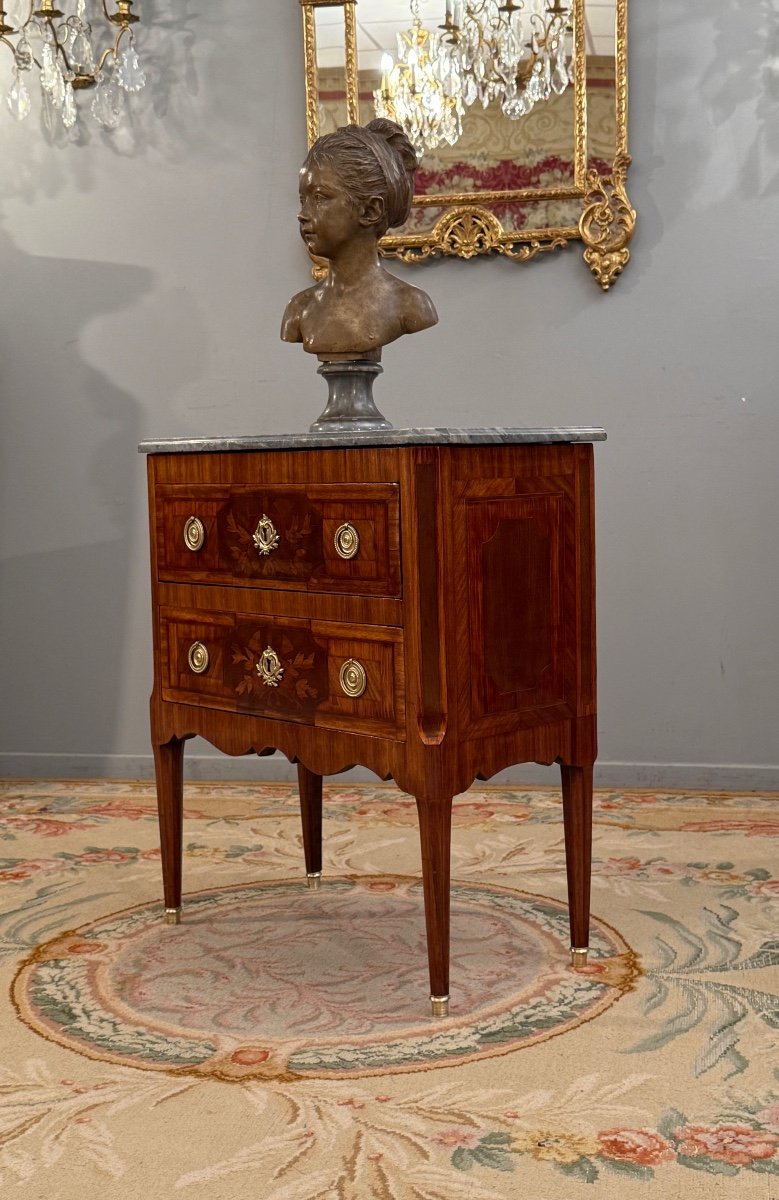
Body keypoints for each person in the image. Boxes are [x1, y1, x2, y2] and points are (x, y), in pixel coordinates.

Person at [281, 118, 438, 361]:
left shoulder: (411, 306)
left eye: (320, 197)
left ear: (370, 210)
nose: (303, 214)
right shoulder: (299, 310)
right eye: (303, 199)